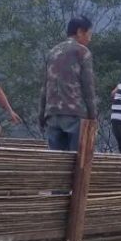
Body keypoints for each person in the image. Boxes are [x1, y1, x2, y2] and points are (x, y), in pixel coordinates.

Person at [39, 16, 96, 151]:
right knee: (77, 162)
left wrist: (41, 115)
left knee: (56, 163)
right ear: (80, 32)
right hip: (74, 114)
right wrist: (93, 117)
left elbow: (44, 87)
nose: (89, 39)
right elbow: (88, 88)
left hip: (52, 114)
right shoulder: (82, 52)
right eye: (89, 34)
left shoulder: (52, 52)